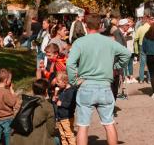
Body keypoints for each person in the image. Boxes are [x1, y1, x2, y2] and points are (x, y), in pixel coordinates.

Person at [66, 14, 131, 145]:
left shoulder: (79, 42)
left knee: (83, 126)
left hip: (86, 85)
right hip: (105, 86)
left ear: (85, 25)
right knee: (109, 123)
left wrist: (73, 81)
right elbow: (127, 53)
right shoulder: (109, 42)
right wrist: (117, 66)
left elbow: (70, 64)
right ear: (101, 25)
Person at [11, 79, 56, 145]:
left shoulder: (24, 102)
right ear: (46, 91)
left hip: (17, 139)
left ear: (33, 91)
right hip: (35, 141)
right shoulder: (47, 106)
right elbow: (51, 129)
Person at [0, 69, 19, 145]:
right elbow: (12, 102)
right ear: (6, 80)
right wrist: (12, 92)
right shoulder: (5, 92)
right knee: (8, 135)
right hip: (7, 117)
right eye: (10, 80)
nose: (11, 82)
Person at [52, 72, 77, 145]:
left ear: (65, 82)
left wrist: (61, 103)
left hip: (67, 117)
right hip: (60, 117)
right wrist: (55, 99)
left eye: (58, 82)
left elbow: (72, 105)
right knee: (63, 136)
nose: (57, 84)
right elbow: (57, 103)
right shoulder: (62, 90)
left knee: (69, 135)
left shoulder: (71, 91)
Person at [134, 16, 151, 83]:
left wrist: (136, 49)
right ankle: (149, 80)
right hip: (150, 46)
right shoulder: (150, 28)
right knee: (149, 63)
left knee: (142, 64)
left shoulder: (140, 28)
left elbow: (135, 39)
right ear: (148, 20)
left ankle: (141, 79)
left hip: (141, 45)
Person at [119, 19, 136, 83]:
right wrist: (126, 34)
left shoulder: (131, 30)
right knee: (125, 64)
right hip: (125, 50)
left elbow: (134, 39)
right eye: (127, 25)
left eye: (128, 25)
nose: (128, 26)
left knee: (130, 64)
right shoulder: (121, 32)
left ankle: (131, 77)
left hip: (131, 50)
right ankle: (125, 77)